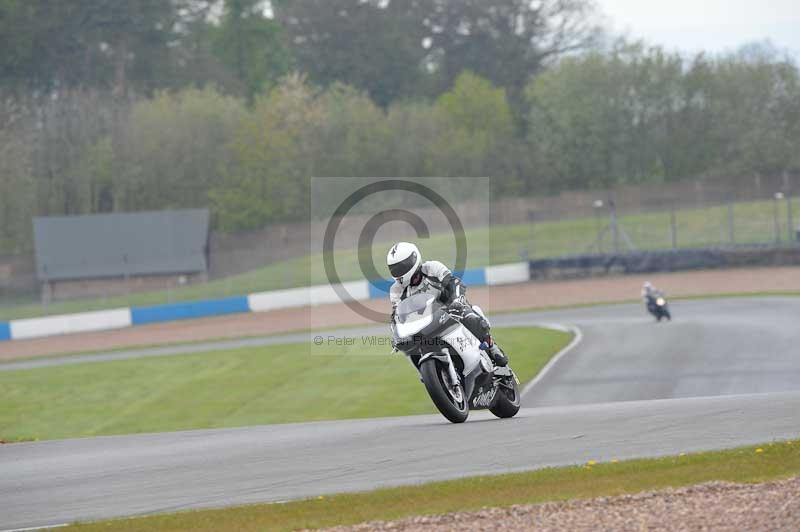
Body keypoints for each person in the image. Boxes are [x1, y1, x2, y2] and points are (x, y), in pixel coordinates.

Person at [386, 241, 507, 366]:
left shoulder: (432, 268)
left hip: (450, 308)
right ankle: (428, 372)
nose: (398, 272)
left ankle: (491, 346)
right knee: (411, 348)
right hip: (424, 322)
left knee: (470, 318)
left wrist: (457, 301)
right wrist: (396, 334)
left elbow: (453, 283)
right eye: (394, 269)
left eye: (401, 267)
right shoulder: (396, 290)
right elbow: (396, 315)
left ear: (413, 260)